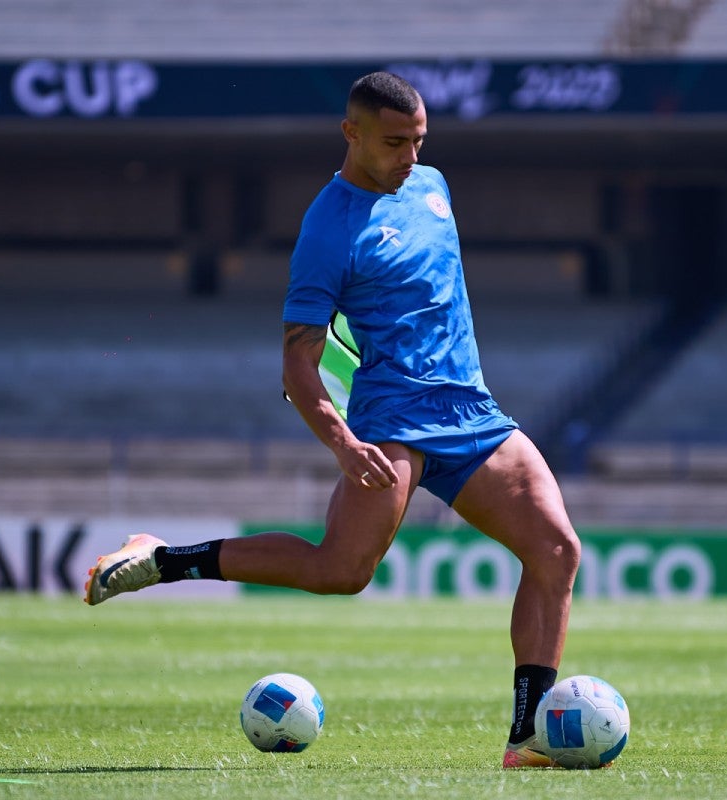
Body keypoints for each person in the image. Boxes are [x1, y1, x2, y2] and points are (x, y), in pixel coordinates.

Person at [84, 71, 581, 769]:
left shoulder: (434, 186)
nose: (410, 155)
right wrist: (345, 443)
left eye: (419, 140)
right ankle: (163, 560)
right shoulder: (329, 227)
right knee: (342, 571)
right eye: (394, 141)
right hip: (392, 421)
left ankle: (526, 736)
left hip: (472, 412)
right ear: (351, 133)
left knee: (556, 549)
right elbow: (298, 365)